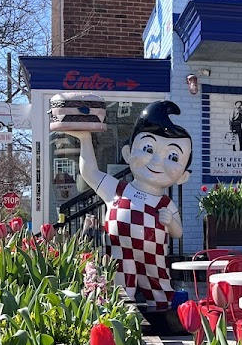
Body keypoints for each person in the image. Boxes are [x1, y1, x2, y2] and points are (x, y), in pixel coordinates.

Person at [61, 101, 192, 309]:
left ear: (183, 176)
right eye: (148, 148)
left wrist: (171, 222)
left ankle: (165, 316)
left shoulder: (165, 202)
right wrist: (85, 139)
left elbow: (178, 232)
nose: (157, 160)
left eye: (173, 156)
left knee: (159, 287)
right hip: (121, 251)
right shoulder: (117, 189)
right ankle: (122, 317)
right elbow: (90, 173)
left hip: (154, 256)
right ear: (127, 154)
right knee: (122, 288)